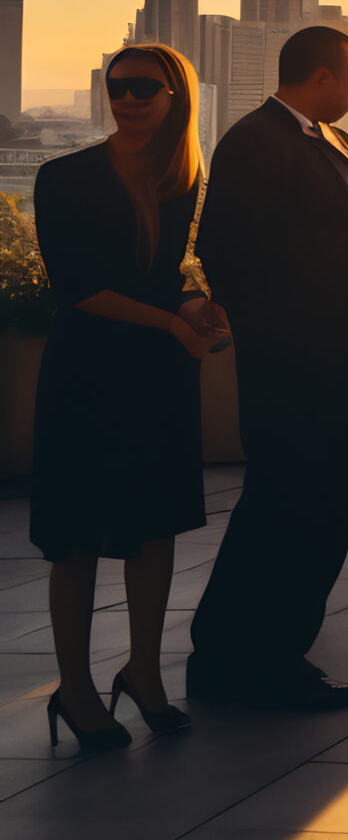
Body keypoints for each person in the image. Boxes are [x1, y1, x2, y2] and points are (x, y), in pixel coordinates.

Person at [189, 25, 348, 710]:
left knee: (322, 512)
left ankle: (278, 649)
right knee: (286, 509)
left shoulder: (331, 141)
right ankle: (239, 657)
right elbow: (231, 254)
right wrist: (304, 336)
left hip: (347, 360)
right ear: (319, 76)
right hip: (300, 372)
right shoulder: (256, 142)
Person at [32, 44, 219, 750]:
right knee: (75, 534)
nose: (130, 97)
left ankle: (144, 672)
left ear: (177, 96)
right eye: (118, 86)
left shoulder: (186, 179)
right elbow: (76, 287)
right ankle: (75, 690)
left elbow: (174, 274)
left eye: (146, 86)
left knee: (154, 526)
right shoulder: (65, 176)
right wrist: (174, 319)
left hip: (157, 369)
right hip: (88, 370)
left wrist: (196, 303)